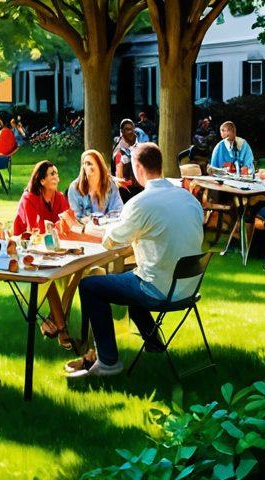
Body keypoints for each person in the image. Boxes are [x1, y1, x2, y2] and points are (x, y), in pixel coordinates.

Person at [69, 143, 204, 379]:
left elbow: (111, 241)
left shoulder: (141, 203)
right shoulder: (188, 197)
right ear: (160, 164)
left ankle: (108, 362)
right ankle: (153, 344)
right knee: (133, 273)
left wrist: (85, 228)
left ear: (138, 168)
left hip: (160, 289)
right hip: (189, 287)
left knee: (90, 286)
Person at [13, 160, 76, 349]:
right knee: (46, 277)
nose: (57, 177)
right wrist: (56, 229)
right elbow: (34, 230)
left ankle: (52, 320)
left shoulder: (58, 197)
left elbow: (68, 221)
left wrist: (60, 229)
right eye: (52, 174)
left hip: (53, 247)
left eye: (56, 173)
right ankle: (62, 329)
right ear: (41, 180)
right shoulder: (29, 198)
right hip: (26, 248)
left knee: (76, 271)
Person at [68, 149, 123, 218]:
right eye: (84, 164)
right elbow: (77, 217)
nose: (86, 166)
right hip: (85, 227)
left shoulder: (110, 185)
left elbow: (117, 211)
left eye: (89, 163)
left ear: (100, 166)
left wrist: (103, 222)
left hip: (108, 226)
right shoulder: (75, 187)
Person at [112, 119, 143, 201]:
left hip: (138, 189)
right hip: (127, 192)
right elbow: (120, 179)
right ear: (122, 132)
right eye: (128, 129)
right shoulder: (118, 153)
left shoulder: (136, 147)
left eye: (133, 129)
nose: (131, 132)